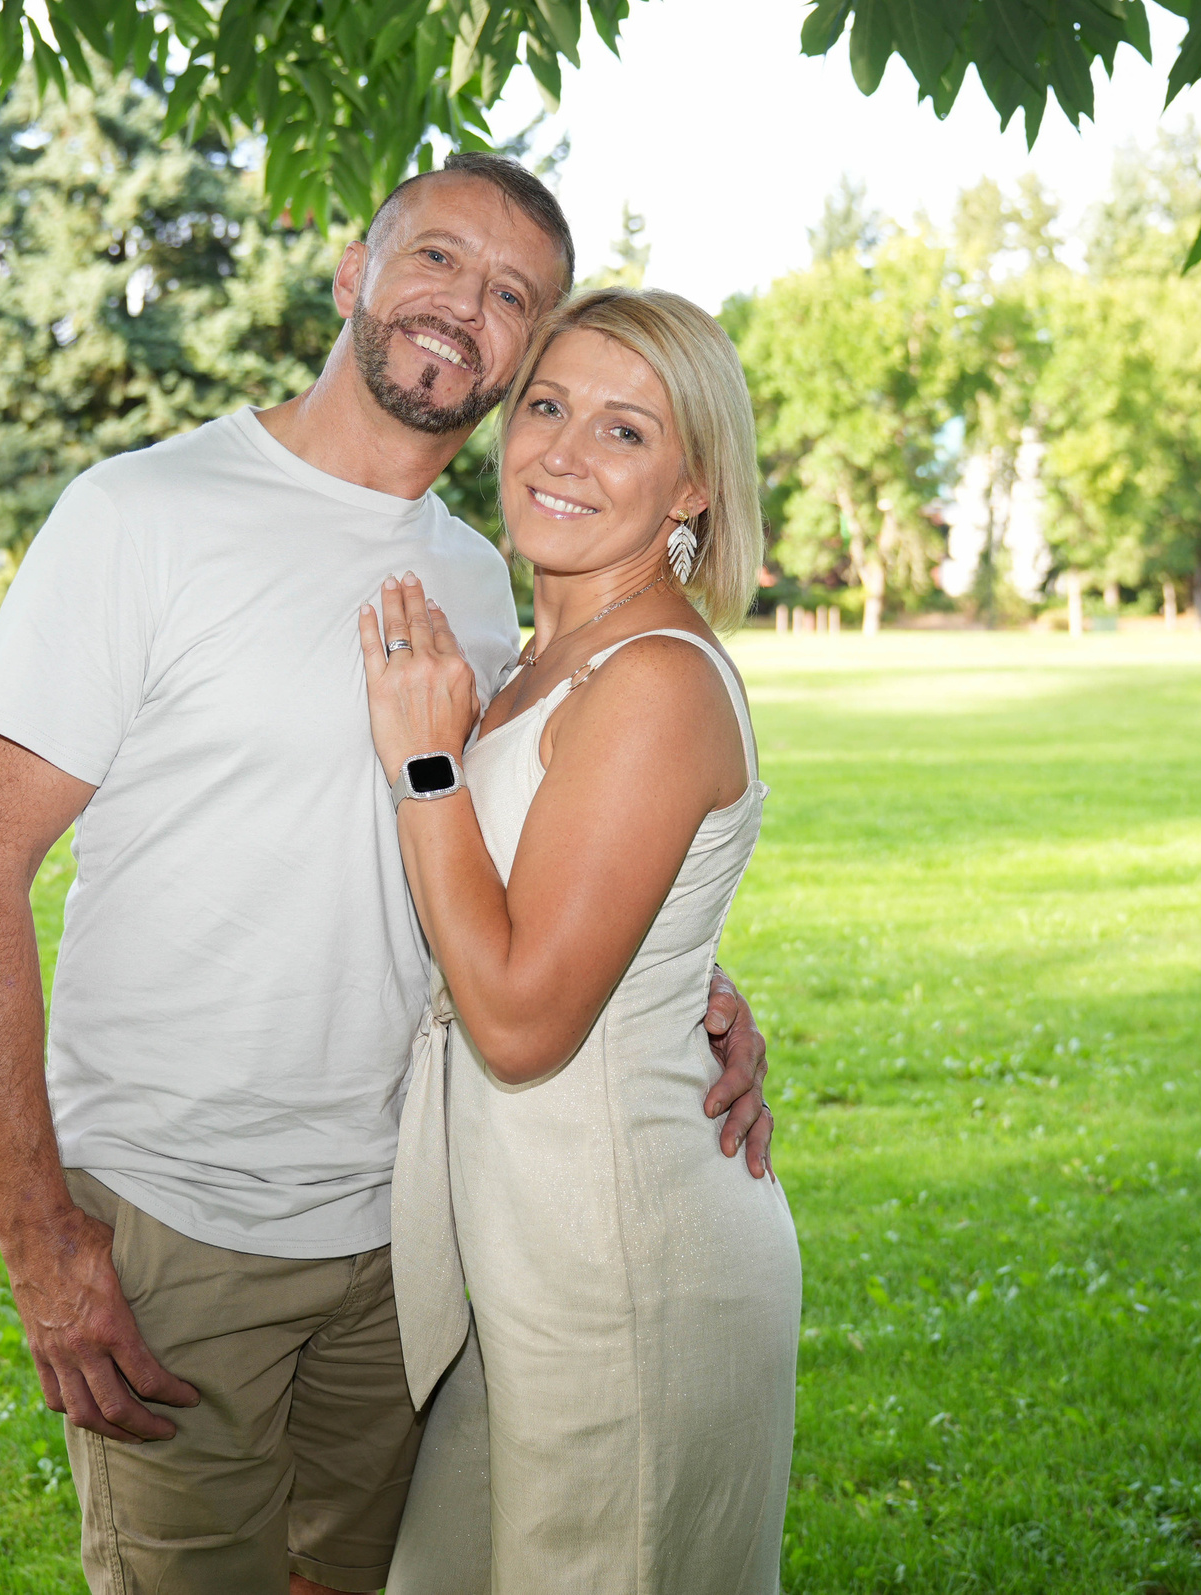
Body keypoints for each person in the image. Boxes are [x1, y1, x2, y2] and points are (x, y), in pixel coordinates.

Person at [0, 155, 779, 1595]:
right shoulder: (144, 515)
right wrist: (39, 1238)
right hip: (185, 1229)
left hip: (412, 1229)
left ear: (522, 353)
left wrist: (683, 981)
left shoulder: (486, 571)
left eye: (513, 296)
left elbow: (517, 852)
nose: (464, 309)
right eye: (437, 259)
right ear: (351, 277)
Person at [364, 288, 802, 1593]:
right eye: (549, 405)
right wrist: (691, 979)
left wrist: (425, 765)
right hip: (515, 1252)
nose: (561, 449)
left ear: (690, 490)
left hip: (623, 1267)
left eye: (624, 431)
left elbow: (520, 1018)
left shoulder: (654, 678)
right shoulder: (540, 661)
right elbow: (567, 909)